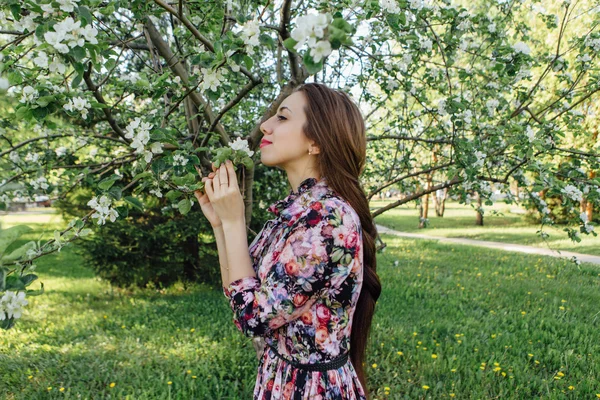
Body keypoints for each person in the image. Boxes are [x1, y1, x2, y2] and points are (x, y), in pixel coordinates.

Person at [194, 83, 382, 400]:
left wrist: (234, 221)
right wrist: (221, 223)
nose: (265, 125)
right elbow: (243, 294)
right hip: (281, 378)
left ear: (316, 141)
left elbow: (252, 318)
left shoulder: (325, 221)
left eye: (282, 117)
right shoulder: (300, 209)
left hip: (311, 390)